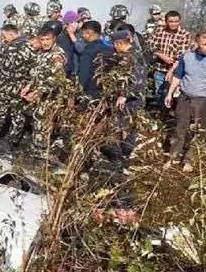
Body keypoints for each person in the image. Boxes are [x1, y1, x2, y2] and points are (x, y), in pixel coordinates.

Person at [165, 33, 206, 172]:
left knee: (200, 130)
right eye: (204, 45)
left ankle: (190, 159)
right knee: (180, 127)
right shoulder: (187, 57)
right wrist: (170, 93)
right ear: (197, 44)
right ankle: (173, 156)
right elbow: (178, 76)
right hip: (185, 97)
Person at [0, 24, 36, 150]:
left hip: (15, 90)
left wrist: (29, 88)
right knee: (14, 116)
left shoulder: (27, 48)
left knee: (13, 116)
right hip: (11, 89)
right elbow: (0, 67)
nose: (3, 39)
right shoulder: (28, 48)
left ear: (10, 34)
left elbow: (33, 72)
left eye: (4, 36)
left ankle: (2, 144)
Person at [102, 30, 148, 169]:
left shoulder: (133, 57)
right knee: (124, 127)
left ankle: (119, 158)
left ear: (120, 43)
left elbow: (137, 81)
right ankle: (121, 156)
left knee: (122, 126)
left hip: (131, 100)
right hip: (125, 99)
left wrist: (124, 95)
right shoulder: (125, 56)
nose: (114, 48)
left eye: (115, 44)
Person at [21, 25, 67, 153]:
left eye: (48, 39)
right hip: (39, 95)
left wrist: (37, 92)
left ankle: (41, 151)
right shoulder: (41, 53)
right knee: (36, 121)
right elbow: (36, 73)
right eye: (42, 40)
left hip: (50, 97)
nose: (45, 42)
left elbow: (57, 80)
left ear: (54, 39)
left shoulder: (57, 56)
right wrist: (29, 86)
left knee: (42, 124)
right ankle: (36, 148)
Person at [148, 11, 193, 106]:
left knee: (175, 96)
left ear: (180, 21)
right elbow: (151, 45)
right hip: (160, 69)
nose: (173, 24)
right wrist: (162, 56)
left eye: (176, 21)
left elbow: (182, 55)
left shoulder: (184, 34)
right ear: (166, 21)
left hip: (177, 72)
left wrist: (172, 70)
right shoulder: (159, 31)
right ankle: (162, 117)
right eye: (171, 21)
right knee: (160, 95)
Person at [75, 20, 114, 100]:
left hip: (90, 92)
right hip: (107, 92)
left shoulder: (88, 51)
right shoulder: (110, 50)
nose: (83, 36)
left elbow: (84, 73)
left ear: (89, 33)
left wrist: (78, 91)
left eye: (84, 33)